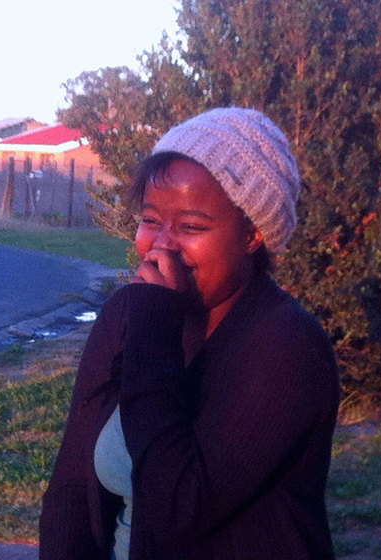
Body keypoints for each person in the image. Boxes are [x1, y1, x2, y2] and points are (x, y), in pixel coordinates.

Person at [39, 108, 340, 559]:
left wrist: (152, 334)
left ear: (254, 233)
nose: (162, 244)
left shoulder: (288, 345)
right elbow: (70, 487)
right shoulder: (129, 314)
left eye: (192, 227)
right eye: (150, 220)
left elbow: (177, 507)